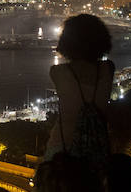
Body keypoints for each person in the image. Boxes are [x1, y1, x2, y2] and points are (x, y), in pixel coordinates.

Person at [45, 14, 115, 162]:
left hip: (62, 150)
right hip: (97, 152)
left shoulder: (57, 72)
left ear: (67, 42)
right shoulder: (108, 69)